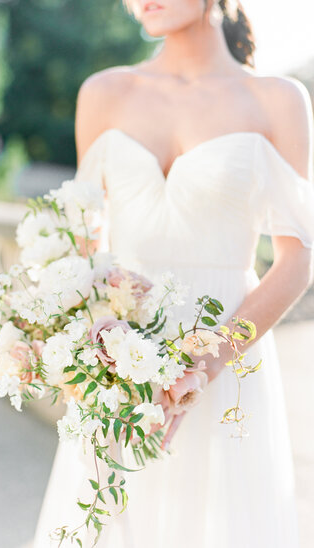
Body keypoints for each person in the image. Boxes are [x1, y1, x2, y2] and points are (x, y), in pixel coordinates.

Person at [33, 1, 314, 546]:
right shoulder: (104, 93)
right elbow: (81, 248)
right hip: (119, 362)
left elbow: (298, 257)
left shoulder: (278, 100)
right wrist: (96, 345)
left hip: (230, 357)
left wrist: (201, 364)